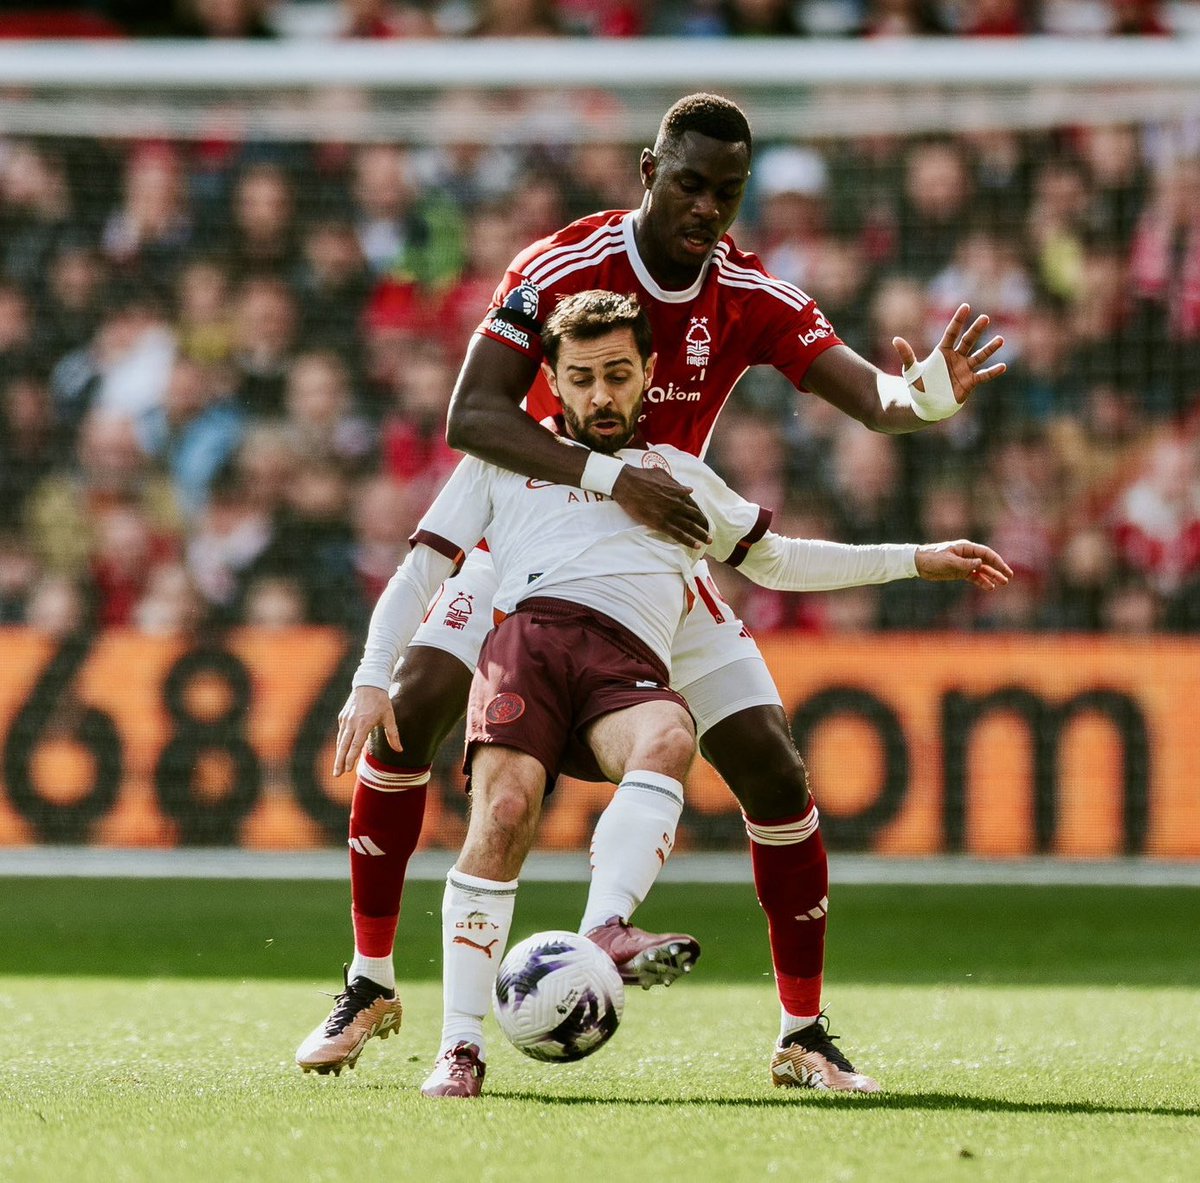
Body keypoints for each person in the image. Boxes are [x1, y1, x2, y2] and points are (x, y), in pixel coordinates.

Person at [295, 94, 1008, 1090]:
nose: (708, 207)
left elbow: (874, 402)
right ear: (647, 172)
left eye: (728, 191)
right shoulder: (557, 267)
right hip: (535, 525)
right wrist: (606, 475)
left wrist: (921, 398)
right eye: (690, 184)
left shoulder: (751, 294)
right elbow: (472, 415)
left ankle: (799, 1033)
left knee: (772, 769)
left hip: (666, 543)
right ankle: (374, 981)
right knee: (409, 711)